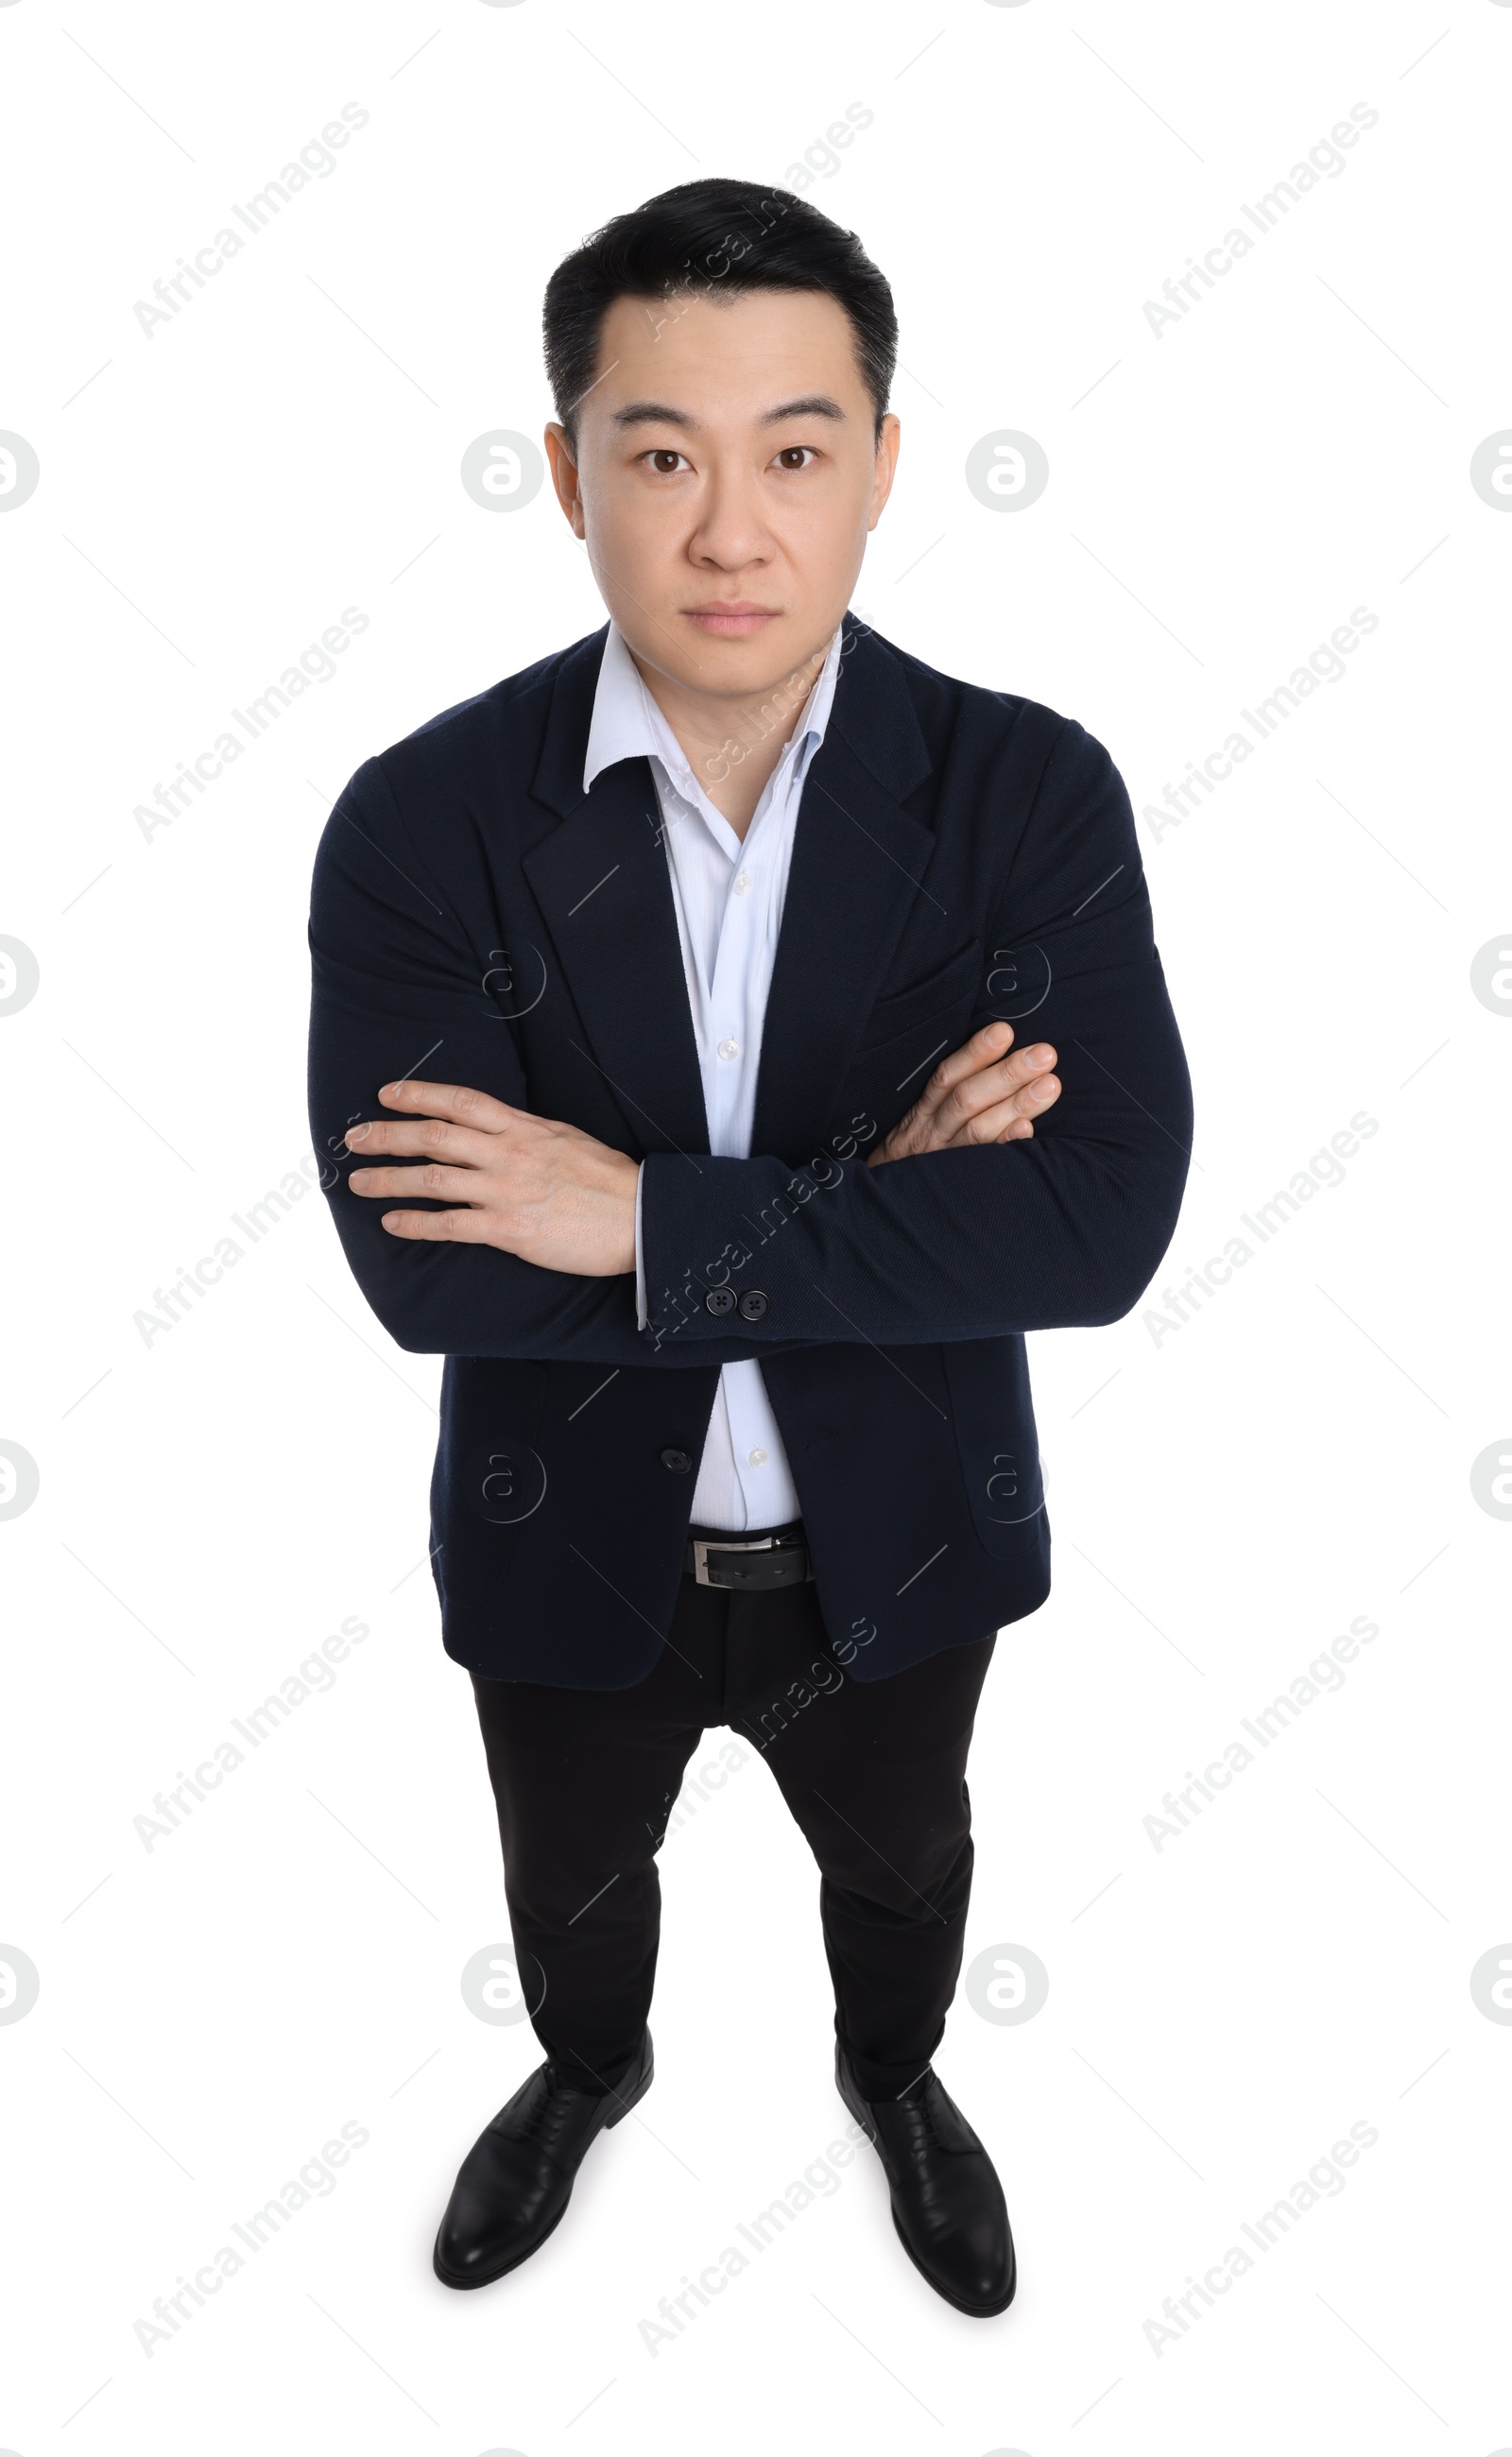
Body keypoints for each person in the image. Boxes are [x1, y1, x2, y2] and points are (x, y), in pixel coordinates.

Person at [306, 176, 1192, 2317]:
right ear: (566, 472)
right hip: (560, 1537)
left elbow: (1092, 1224)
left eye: (794, 451)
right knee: (570, 1897)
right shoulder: (426, 820)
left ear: (879, 466)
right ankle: (583, 2076)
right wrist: (885, 1179)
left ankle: (892, 2081)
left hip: (890, 1529)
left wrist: (626, 1208)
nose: (730, 529)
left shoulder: (1021, 795)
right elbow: (427, 1266)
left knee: (900, 1876)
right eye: (661, 454)